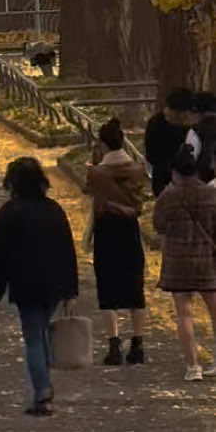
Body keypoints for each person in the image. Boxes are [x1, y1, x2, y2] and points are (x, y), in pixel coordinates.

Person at [0, 155, 79, 415]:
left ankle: (42, 390)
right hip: (54, 283)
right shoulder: (53, 210)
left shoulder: (11, 212)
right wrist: (71, 288)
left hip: (26, 284)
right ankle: (43, 383)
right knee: (40, 333)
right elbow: (67, 249)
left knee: (33, 337)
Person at [85, 116, 149, 366]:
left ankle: (114, 345)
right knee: (135, 286)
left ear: (102, 144)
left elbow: (90, 189)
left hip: (106, 230)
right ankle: (138, 343)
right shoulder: (137, 168)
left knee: (107, 285)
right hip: (130, 228)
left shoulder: (97, 173)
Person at [153, 142, 216, 380]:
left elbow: (158, 225)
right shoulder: (211, 194)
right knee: (214, 310)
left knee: (184, 313)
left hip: (178, 262)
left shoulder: (168, 196)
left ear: (175, 171)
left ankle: (193, 366)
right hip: (206, 260)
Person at [145, 89, 197, 196]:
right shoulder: (155, 124)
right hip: (164, 181)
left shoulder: (189, 126)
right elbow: (151, 155)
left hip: (189, 180)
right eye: (185, 114)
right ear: (177, 112)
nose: (186, 117)